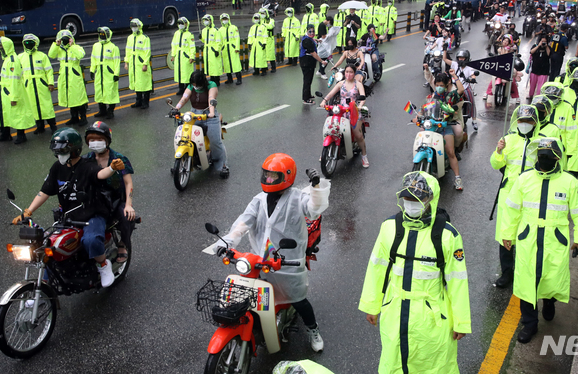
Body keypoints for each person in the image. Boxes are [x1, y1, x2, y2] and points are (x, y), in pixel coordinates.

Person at [207, 154, 330, 352]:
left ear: (287, 177)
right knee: (246, 297)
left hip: (288, 263)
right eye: (267, 175)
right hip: (260, 260)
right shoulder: (259, 199)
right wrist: (227, 242)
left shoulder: (298, 198)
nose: (269, 179)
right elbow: (243, 223)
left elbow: (314, 209)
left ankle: (313, 329)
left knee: (298, 300)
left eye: (274, 176)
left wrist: (316, 186)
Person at [359, 171, 471, 374]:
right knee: (393, 363)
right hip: (394, 314)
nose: (412, 202)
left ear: (431, 198)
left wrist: (461, 321)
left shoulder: (447, 235)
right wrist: (372, 305)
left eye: (418, 197)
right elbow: (377, 268)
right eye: (407, 197)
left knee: (433, 366)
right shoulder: (389, 228)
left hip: (431, 320)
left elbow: (457, 281)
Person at [12, 128, 126, 288]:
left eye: (62, 150)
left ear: (73, 150)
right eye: (57, 151)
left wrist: (112, 168)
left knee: (91, 240)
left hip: (92, 215)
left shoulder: (87, 166)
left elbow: (100, 174)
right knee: (47, 244)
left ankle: (103, 265)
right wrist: (28, 211)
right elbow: (44, 192)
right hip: (69, 217)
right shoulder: (57, 168)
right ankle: (43, 285)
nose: (59, 154)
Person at [502, 137, 578, 343]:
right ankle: (529, 323)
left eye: (549, 157)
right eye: (541, 157)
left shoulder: (570, 183)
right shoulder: (524, 179)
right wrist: (508, 233)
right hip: (528, 238)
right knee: (526, 280)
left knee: (551, 276)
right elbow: (512, 208)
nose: (545, 160)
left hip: (554, 239)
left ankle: (549, 301)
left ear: (557, 159)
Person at [491, 105, 545, 288]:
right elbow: (495, 164)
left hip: (531, 196)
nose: (524, 124)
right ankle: (507, 272)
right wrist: (498, 151)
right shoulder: (507, 139)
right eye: (521, 121)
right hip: (508, 194)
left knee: (527, 234)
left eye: (528, 121)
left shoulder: (542, 142)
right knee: (505, 233)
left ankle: (525, 271)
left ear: (535, 122)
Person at [83, 121, 136, 263]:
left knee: (127, 217)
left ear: (107, 141)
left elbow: (128, 182)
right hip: (93, 201)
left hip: (115, 200)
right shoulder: (85, 160)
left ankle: (123, 244)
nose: (95, 143)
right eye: (92, 140)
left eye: (99, 140)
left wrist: (128, 204)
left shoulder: (119, 159)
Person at [173, 70, 230, 178]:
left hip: (208, 115)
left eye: (196, 84)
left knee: (215, 142)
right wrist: (176, 108)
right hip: (194, 114)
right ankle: (183, 162)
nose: (194, 86)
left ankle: (222, 165)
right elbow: (184, 98)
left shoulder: (211, 85)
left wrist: (212, 112)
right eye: (193, 84)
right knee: (186, 137)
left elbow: (211, 99)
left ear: (202, 82)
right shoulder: (191, 86)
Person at [421, 71, 465, 190]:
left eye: (441, 85)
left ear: (446, 85)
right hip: (432, 126)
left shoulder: (450, 96)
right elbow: (423, 109)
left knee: (450, 152)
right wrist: (418, 116)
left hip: (445, 127)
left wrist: (455, 76)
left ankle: (457, 178)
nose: (439, 87)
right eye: (437, 85)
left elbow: (461, 90)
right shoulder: (431, 97)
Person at [319, 65, 369, 167]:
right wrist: (324, 101)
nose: (348, 74)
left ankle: (364, 156)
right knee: (330, 128)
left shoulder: (358, 85)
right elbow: (331, 94)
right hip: (340, 111)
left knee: (358, 135)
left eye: (351, 72)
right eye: (346, 72)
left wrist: (359, 106)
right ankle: (325, 151)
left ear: (354, 73)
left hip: (354, 111)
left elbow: (363, 98)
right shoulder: (340, 84)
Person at [0, 36, 34, 144]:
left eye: (1, 46)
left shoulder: (12, 61)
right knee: (5, 114)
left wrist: (14, 96)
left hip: (12, 92)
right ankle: (5, 134)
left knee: (18, 114)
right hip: (6, 92)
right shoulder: (7, 59)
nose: (0, 48)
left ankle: (21, 135)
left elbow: (15, 81)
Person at [19, 34, 57, 135]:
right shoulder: (21, 57)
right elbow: (19, 74)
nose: (28, 45)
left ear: (35, 44)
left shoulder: (42, 56)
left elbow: (49, 71)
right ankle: (40, 126)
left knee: (46, 106)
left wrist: (50, 83)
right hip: (29, 86)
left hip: (42, 85)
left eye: (31, 43)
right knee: (33, 106)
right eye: (26, 43)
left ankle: (53, 126)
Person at [49, 29, 88, 125]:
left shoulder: (76, 47)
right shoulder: (59, 49)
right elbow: (51, 55)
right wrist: (56, 44)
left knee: (79, 96)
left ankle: (83, 118)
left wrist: (72, 45)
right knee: (70, 97)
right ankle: (74, 117)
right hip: (64, 76)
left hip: (74, 76)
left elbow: (81, 55)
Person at [90, 27, 121, 119]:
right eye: (100, 34)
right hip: (99, 73)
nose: (102, 36)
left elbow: (117, 61)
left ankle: (110, 111)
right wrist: (92, 70)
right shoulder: (96, 46)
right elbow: (93, 59)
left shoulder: (113, 47)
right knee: (100, 92)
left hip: (109, 74)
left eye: (103, 34)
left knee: (110, 92)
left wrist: (116, 74)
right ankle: (102, 110)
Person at [124, 19, 152, 109]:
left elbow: (147, 52)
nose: (134, 28)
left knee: (145, 83)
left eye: (135, 26)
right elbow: (127, 51)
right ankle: (138, 101)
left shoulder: (145, 38)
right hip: (133, 64)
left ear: (139, 26)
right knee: (137, 82)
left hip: (141, 64)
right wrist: (126, 62)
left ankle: (146, 102)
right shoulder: (130, 38)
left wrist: (145, 64)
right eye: (132, 26)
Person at [299, 26, 327, 105]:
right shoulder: (307, 41)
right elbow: (313, 53)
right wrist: (321, 61)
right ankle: (306, 99)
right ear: (307, 31)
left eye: (313, 31)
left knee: (309, 79)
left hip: (309, 62)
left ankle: (308, 95)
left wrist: (316, 40)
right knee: (307, 80)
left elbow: (311, 39)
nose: (312, 33)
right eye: (310, 32)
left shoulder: (307, 38)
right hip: (306, 62)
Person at [170, 17, 196, 96]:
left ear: (186, 24)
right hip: (178, 57)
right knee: (180, 73)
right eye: (179, 23)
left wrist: (191, 56)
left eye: (182, 23)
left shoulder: (189, 35)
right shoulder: (176, 33)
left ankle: (188, 89)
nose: (181, 25)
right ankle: (181, 89)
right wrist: (173, 55)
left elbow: (192, 47)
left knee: (187, 74)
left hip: (186, 57)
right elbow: (174, 45)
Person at [219, 13, 242, 85]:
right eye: (223, 19)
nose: (225, 20)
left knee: (235, 63)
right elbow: (219, 40)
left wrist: (237, 47)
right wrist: (220, 49)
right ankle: (229, 79)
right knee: (226, 64)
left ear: (228, 19)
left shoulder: (233, 27)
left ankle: (239, 79)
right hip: (225, 48)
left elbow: (237, 38)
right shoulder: (220, 30)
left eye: (226, 19)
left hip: (232, 48)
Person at [200, 14, 223, 84]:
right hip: (207, 51)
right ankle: (212, 79)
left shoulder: (216, 30)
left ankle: (217, 80)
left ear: (211, 20)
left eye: (207, 20)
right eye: (205, 20)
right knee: (210, 65)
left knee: (215, 65)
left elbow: (219, 41)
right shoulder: (204, 30)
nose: (206, 21)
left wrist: (217, 50)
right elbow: (205, 41)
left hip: (213, 50)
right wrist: (201, 38)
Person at [528, 35, 551, 99]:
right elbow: (531, 52)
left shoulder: (548, 47)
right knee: (532, 84)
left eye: (545, 41)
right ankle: (530, 95)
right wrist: (538, 46)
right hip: (535, 68)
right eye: (542, 41)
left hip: (544, 70)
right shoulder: (535, 46)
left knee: (541, 86)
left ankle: (538, 97)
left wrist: (546, 46)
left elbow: (549, 54)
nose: (543, 42)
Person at [260, 7, 278, 72]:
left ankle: (273, 67)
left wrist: (263, 25)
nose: (262, 15)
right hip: (262, 39)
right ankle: (264, 67)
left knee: (271, 54)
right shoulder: (260, 21)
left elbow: (270, 26)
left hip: (269, 39)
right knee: (263, 54)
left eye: (263, 13)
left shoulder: (271, 20)